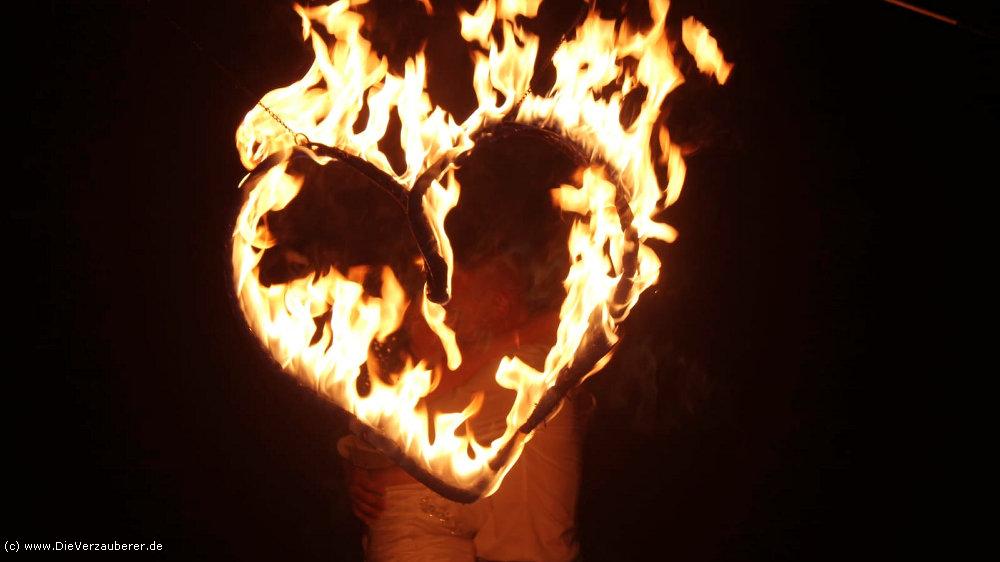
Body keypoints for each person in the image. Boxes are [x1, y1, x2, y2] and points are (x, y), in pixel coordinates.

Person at [341, 137, 589, 561]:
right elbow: (372, 437)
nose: (451, 301)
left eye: (484, 287)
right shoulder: (438, 366)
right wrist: (357, 471)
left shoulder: (531, 365)